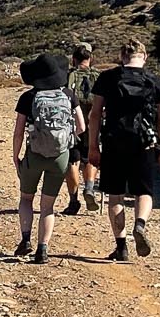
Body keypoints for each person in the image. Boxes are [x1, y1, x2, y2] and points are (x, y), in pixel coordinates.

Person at [87, 39, 160, 261]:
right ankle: (140, 224)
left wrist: (93, 146)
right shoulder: (156, 81)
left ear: (122, 57)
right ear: (144, 57)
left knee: (115, 195)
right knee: (144, 191)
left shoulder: (107, 78)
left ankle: (121, 247)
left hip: (114, 142)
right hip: (144, 142)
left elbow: (94, 114)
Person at [12, 51, 85, 264]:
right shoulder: (69, 95)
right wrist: (65, 137)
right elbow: (81, 127)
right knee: (47, 206)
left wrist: (16, 156)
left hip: (33, 154)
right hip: (60, 156)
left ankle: (25, 239)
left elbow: (18, 132)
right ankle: (43, 250)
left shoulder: (28, 97)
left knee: (26, 198)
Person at [64, 41, 99, 215]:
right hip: (94, 124)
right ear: (90, 58)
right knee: (90, 157)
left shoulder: (67, 76)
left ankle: (73, 201)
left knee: (73, 161)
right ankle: (90, 188)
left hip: (72, 125)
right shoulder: (99, 77)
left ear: (73, 58)